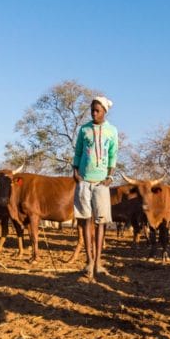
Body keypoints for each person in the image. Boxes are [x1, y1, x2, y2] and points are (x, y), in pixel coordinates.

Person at [72, 95, 119, 279]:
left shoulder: (112, 131)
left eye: (97, 110)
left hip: (101, 183)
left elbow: (113, 154)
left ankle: (99, 262)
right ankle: (89, 260)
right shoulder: (84, 130)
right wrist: (75, 172)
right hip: (84, 181)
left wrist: (110, 176)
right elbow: (77, 152)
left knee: (101, 222)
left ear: (104, 111)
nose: (94, 113)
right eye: (92, 110)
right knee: (85, 221)